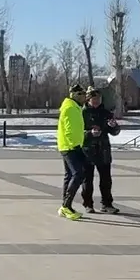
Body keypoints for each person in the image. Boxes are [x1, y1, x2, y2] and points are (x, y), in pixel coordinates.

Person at [79, 87, 121, 213]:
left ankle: (107, 204)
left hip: (103, 151)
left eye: (98, 98)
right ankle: (88, 204)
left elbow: (115, 132)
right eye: (94, 99)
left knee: (106, 180)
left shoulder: (106, 113)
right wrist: (89, 133)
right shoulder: (82, 113)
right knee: (87, 180)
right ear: (88, 99)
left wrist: (113, 126)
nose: (96, 101)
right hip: (87, 151)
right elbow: (77, 133)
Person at [56, 83, 91, 221]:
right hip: (70, 147)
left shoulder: (74, 107)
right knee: (78, 174)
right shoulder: (70, 108)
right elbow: (69, 129)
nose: (85, 97)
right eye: (82, 94)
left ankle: (65, 206)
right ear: (76, 95)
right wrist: (75, 146)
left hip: (70, 145)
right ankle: (66, 206)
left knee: (70, 175)